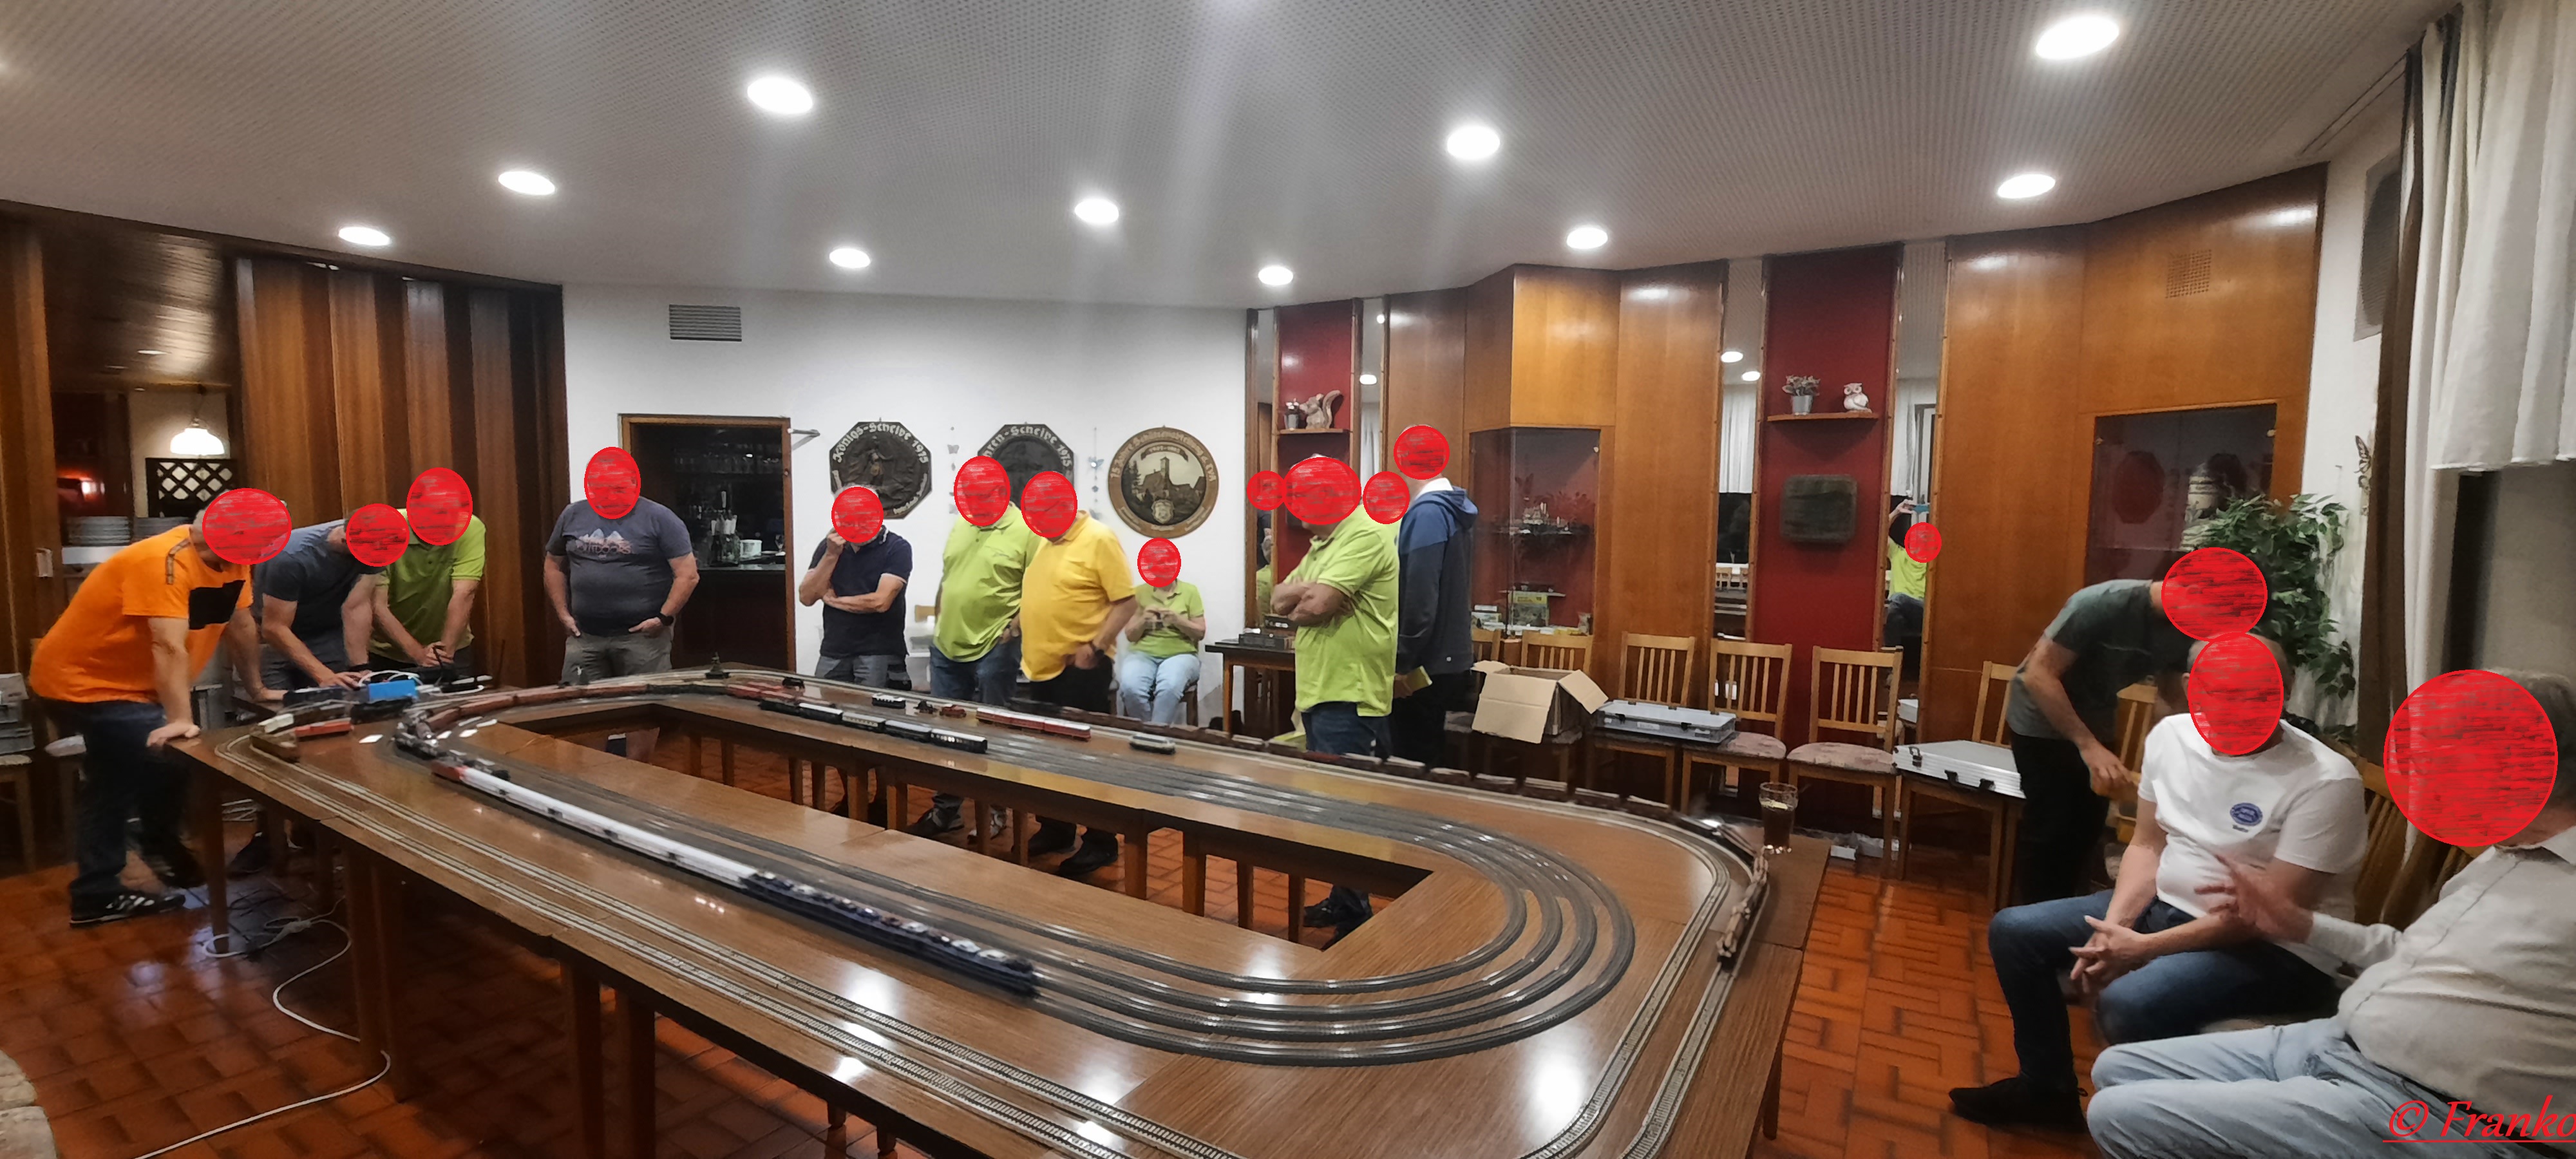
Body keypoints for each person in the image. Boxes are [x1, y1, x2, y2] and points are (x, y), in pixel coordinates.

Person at [2085, 670, 2576, 1158]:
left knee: (2117, 1114)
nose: (2434, 776)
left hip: (2430, 1110)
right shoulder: (2508, 852)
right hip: (2338, 1043)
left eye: (2455, 759)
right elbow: (2407, 951)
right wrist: (2300, 924)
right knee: (2117, 1068)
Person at [1951, 636, 2363, 1129]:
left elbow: (2271, 912)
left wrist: (2143, 948)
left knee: (2129, 1004)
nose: (2241, 707)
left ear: (2287, 689)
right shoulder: (2172, 736)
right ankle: (2047, 1090)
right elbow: (2149, 845)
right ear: (2192, 688)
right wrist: (2114, 928)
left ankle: (2166, 1129)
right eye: (2223, 692)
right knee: (2016, 932)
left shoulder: (2325, 779)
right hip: (2168, 906)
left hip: (2278, 950)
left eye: (2259, 693)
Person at [32, 509, 267, 925]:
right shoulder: (162, 560)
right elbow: (167, 645)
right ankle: (156, 844)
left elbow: (242, 625)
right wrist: (178, 718)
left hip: (133, 689)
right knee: (174, 755)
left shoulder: (238, 557)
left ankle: (97, 895)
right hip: (82, 683)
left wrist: (258, 689)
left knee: (111, 783)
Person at [2004, 576, 2193, 903]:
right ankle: (2031, 918)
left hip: (2098, 719)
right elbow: (2038, 675)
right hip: (2040, 719)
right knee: (2051, 828)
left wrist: (2172, 755)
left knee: (2089, 827)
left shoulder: (2187, 625)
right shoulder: (2100, 603)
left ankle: (2068, 913)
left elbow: (2171, 696)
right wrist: (2088, 746)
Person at [1274, 501, 1401, 938]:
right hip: (1321, 690)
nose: (1296, 505)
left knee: (1350, 812)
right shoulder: (1323, 543)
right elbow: (1278, 599)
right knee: (1332, 810)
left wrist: (1309, 600)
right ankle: (1345, 900)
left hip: (1351, 693)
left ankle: (1355, 921)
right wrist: (1307, 595)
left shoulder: (1366, 532)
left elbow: (1314, 607)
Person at [912, 502, 1043, 839]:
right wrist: (939, 623)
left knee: (993, 731)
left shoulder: (1026, 529)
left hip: (995, 644)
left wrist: (1013, 629)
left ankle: (996, 812)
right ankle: (947, 811)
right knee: (946, 731)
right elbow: (948, 578)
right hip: (947, 645)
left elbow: (1039, 588)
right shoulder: (962, 523)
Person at [1018, 507, 1137, 878]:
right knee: (1049, 757)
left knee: (1088, 760)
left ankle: (1101, 841)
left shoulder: (1098, 537)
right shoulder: (1046, 541)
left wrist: (1096, 647)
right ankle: (1056, 828)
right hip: (1043, 669)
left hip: (1081, 669)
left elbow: (1126, 602)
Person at [543, 493, 698, 681]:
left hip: (643, 637)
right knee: (578, 698)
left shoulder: (659, 517)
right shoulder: (573, 514)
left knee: (648, 698)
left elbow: (688, 575)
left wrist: (663, 618)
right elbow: (553, 564)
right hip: (584, 637)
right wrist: (563, 614)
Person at [1387, 470, 1477, 766]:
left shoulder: (1427, 515)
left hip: (1424, 662)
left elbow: (1420, 599)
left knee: (1409, 763)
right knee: (1425, 754)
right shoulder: (1451, 510)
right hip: (1447, 656)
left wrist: (1402, 661)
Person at [255, 519, 384, 693]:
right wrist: (323, 676)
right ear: (345, 541)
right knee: (278, 707)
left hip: (326, 638)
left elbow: (357, 605)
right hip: (272, 644)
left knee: (337, 701)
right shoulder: (291, 557)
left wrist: (360, 667)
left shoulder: (379, 543)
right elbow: (274, 628)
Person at [367, 511, 486, 675]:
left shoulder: (468, 526)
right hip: (387, 652)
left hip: (453, 647)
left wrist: (444, 654)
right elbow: (376, 605)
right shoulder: (384, 528)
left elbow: (465, 593)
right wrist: (419, 655)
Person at [799, 523, 913, 687]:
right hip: (834, 649)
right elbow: (807, 597)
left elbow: (880, 602)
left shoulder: (896, 546)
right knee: (824, 700)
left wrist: (834, 601)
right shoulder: (830, 545)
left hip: (878, 650)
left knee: (872, 703)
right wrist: (831, 554)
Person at [1117, 575, 1205, 724]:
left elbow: (1200, 633)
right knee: (1131, 688)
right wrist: (1144, 621)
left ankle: (1155, 733)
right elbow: (1131, 636)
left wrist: (1178, 620)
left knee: (1169, 687)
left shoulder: (1190, 591)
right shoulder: (1140, 592)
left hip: (1181, 654)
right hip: (1142, 653)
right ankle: (1150, 731)